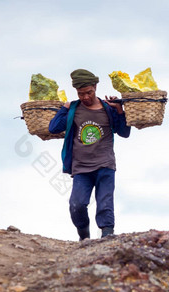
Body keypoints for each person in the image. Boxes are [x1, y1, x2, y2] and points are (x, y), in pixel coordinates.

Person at [49, 69, 131, 240]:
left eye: (89, 92)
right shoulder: (73, 110)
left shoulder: (108, 109)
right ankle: (83, 235)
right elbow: (53, 128)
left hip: (105, 164)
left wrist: (120, 111)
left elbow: (124, 132)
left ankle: (107, 236)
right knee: (76, 205)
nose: (85, 97)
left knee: (105, 204)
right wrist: (64, 109)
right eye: (81, 94)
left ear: (95, 87)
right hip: (81, 167)